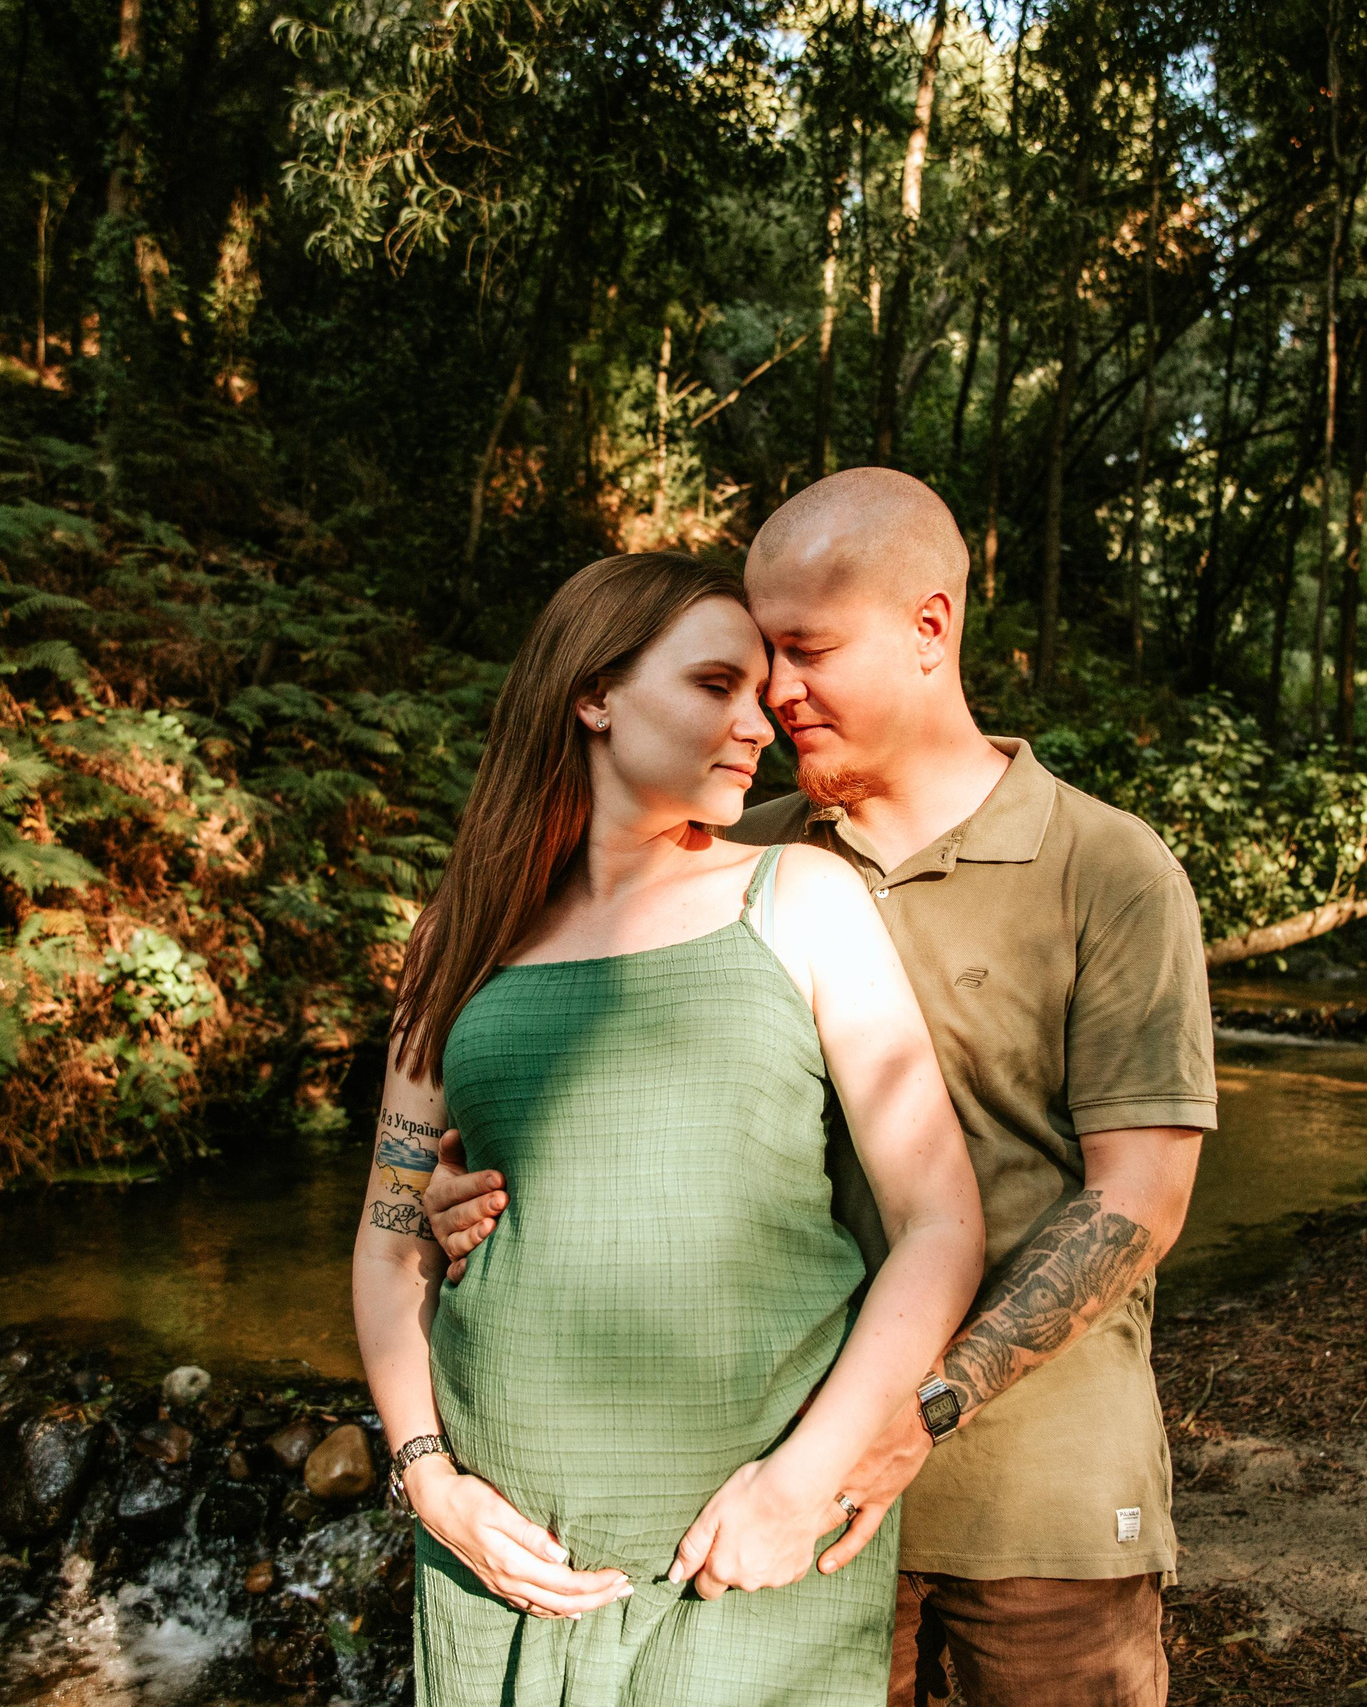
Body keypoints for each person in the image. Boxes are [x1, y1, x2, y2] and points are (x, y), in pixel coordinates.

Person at [426, 471, 1218, 1707]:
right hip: (765, 1495)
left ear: (930, 628)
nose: (774, 695)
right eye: (751, 662)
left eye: (805, 651)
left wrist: (919, 1412)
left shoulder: (1103, 866)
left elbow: (1139, 1202)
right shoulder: (741, 848)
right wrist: (458, 1194)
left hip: (1032, 1497)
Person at [351, 551, 986, 1707]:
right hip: (500, 1562)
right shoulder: (459, 937)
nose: (758, 725)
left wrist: (801, 1482)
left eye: (760, 695)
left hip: (739, 1561)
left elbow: (939, 1223)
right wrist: (430, 1480)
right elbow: (392, 1237)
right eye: (713, 687)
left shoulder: (799, 898)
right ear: (594, 695)